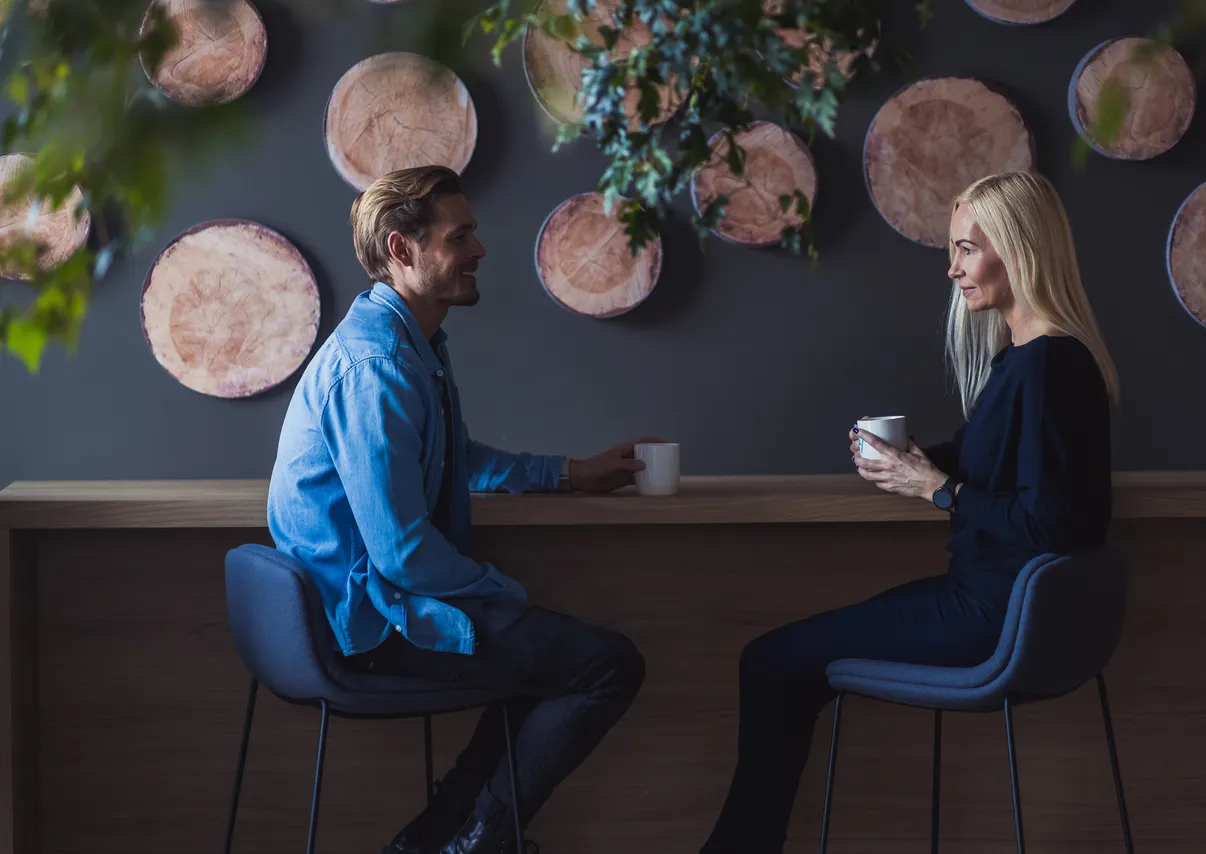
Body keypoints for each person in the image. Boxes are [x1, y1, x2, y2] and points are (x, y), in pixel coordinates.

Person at [699, 170, 1121, 854]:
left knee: (769, 662)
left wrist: (936, 488)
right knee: (783, 667)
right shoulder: (1032, 360)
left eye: (966, 250)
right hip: (990, 602)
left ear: (1020, 251)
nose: (952, 269)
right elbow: (1007, 465)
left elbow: (1058, 522)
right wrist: (913, 460)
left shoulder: (1045, 366)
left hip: (993, 617)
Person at [267, 165, 652, 854]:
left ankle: (436, 840)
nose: (479, 250)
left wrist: (570, 474)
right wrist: (502, 593)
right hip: (368, 624)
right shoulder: (379, 365)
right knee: (607, 664)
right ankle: (479, 843)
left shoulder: (411, 346)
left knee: (549, 662)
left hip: (370, 603)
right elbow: (401, 552)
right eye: (461, 235)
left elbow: (457, 456)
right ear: (401, 249)